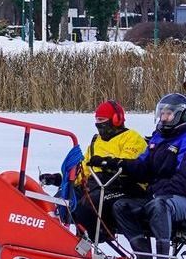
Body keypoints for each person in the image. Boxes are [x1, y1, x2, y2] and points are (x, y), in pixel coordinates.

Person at [91, 93, 186, 259]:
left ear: (181, 116)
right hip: (160, 195)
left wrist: (156, 191)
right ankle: (144, 257)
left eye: (168, 114)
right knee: (121, 206)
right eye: (162, 113)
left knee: (159, 206)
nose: (164, 118)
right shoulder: (158, 139)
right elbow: (142, 166)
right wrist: (116, 164)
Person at [39, 100, 147, 238]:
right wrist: (60, 179)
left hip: (123, 186)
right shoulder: (96, 141)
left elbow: (127, 164)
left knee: (87, 205)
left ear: (116, 119)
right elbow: (83, 169)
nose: (98, 124)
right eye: (97, 120)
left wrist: (105, 163)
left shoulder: (132, 138)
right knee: (61, 199)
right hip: (96, 184)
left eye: (102, 120)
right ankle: (56, 239)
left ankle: (95, 238)